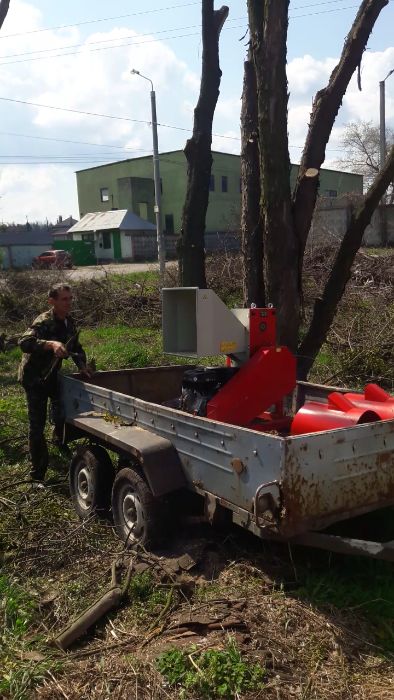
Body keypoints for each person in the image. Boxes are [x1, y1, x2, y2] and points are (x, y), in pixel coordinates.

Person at [18, 283, 91, 482]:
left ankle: (59, 440)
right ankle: (38, 474)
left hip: (52, 376)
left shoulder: (69, 322)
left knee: (62, 411)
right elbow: (24, 343)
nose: (68, 303)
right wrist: (50, 344)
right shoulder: (43, 322)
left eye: (70, 298)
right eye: (64, 299)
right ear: (52, 301)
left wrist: (82, 365)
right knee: (37, 426)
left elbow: (75, 346)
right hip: (34, 379)